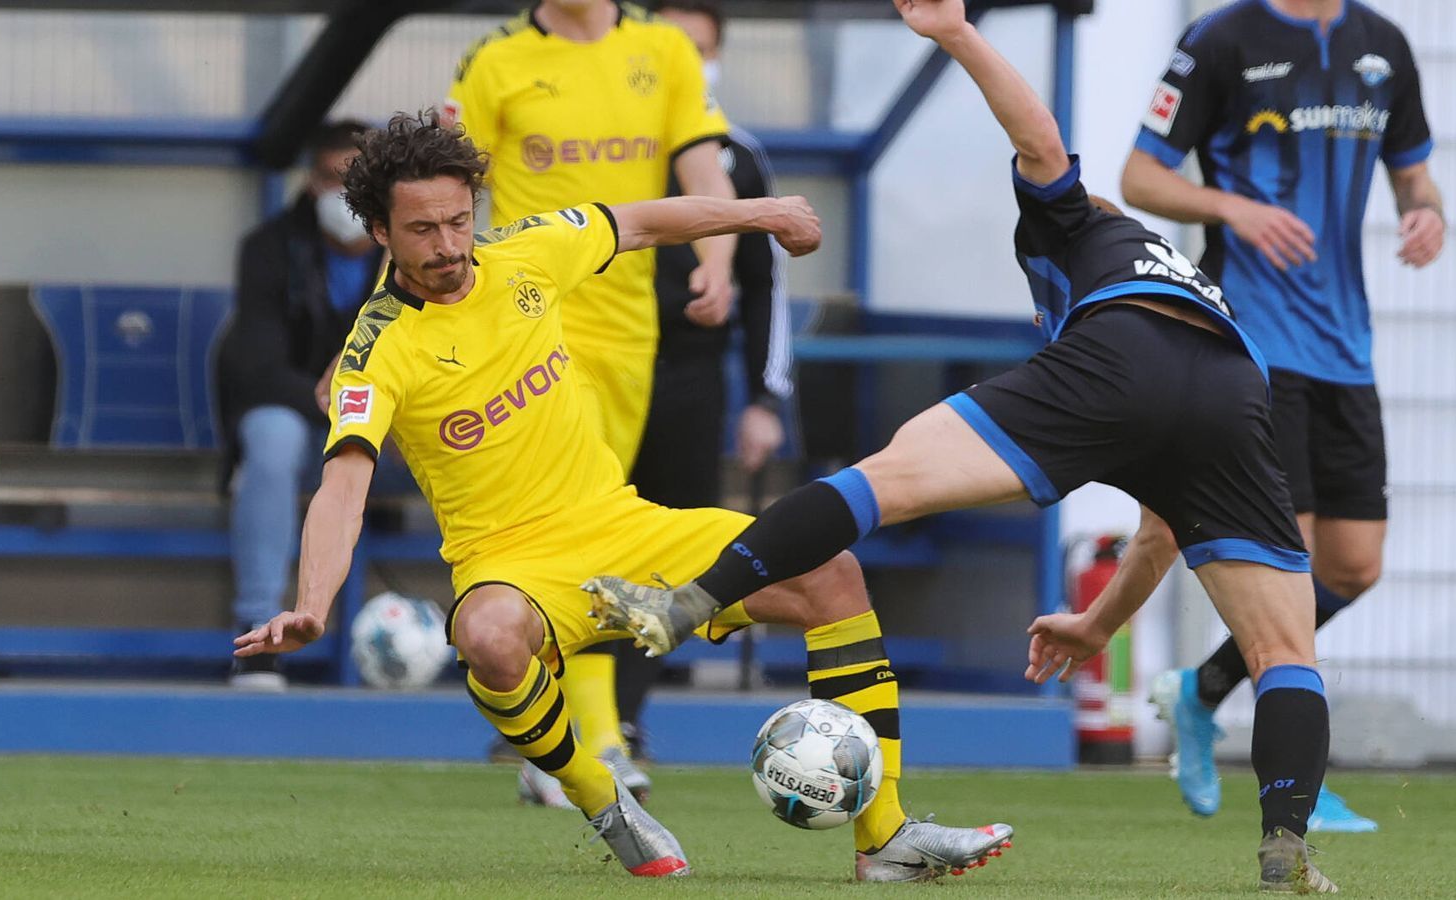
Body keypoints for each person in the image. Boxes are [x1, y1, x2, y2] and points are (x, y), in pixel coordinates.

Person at [587, 0, 1340, 892]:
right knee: (1285, 652)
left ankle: (684, 605)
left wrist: (954, 32)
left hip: (1119, 353)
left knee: (880, 482)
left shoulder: (1078, 223)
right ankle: (1286, 842)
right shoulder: (1180, 276)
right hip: (1232, 388)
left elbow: (1038, 135)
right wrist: (1097, 625)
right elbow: (1160, 529)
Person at [234, 112, 1012, 882]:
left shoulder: (527, 254)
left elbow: (642, 222)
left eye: (457, 220)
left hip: (624, 527)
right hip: (511, 564)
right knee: (490, 637)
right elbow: (343, 486)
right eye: (422, 230)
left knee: (829, 570)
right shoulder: (376, 348)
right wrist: (312, 602)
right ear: (378, 232)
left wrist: (760, 213)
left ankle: (886, 840)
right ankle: (602, 800)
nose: (447, 245)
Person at [1120, 0, 1443, 831]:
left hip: (1347, 347)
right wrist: (1233, 208)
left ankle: (1200, 691)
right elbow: (1139, 177)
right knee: (1288, 570)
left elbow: (1413, 169)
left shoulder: (1384, 45)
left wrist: (1427, 212)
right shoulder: (1222, 38)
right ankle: (1301, 779)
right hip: (1256, 344)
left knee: (1354, 564)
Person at [443, 0, 740, 801]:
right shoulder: (496, 61)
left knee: (602, 528)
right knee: (565, 529)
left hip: (627, 330)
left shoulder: (663, 50)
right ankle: (594, 744)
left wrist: (719, 258)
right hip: (530, 328)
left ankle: (566, 740)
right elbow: (443, 200)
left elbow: (702, 165)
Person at [584, 0, 793, 758]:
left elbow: (767, 285)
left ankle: (626, 720)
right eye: (674, 46)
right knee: (581, 541)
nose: (687, 62)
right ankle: (566, 720)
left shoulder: (735, 155)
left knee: (666, 556)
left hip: (690, 380)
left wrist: (765, 398)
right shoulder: (609, 139)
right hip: (595, 363)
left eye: (700, 50)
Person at [218, 120, 386, 691]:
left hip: (394, 426)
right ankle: (258, 633)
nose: (342, 194)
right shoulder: (267, 249)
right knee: (270, 438)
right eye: (329, 179)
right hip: (304, 417)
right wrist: (338, 401)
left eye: (356, 179)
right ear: (311, 183)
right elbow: (258, 366)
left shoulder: (416, 251)